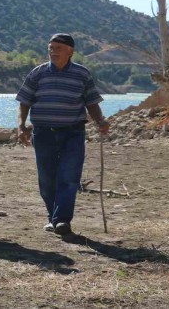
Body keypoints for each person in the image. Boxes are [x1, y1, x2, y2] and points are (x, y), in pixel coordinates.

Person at [16, 33, 109, 236]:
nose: (53, 51)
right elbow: (24, 101)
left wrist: (100, 121)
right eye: (51, 48)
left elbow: (91, 101)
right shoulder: (38, 73)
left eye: (58, 48)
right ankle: (54, 217)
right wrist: (21, 126)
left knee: (69, 176)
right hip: (43, 133)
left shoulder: (82, 74)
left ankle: (62, 221)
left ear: (70, 51)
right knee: (47, 179)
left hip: (73, 132)